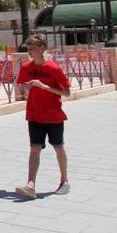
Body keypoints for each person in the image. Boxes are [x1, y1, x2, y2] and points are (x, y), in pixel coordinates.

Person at [15, 33, 71, 199]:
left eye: (32, 49)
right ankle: (30, 185)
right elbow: (22, 90)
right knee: (34, 148)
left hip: (54, 115)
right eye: (28, 49)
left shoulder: (54, 68)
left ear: (42, 48)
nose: (29, 52)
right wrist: (26, 88)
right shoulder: (26, 67)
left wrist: (44, 86)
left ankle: (64, 181)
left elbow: (66, 93)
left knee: (58, 146)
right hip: (34, 114)